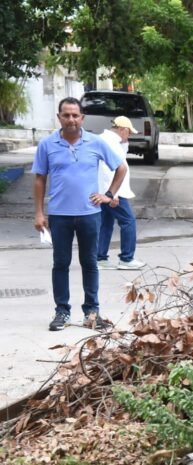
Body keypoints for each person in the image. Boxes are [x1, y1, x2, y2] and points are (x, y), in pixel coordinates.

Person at [33, 97, 127, 331]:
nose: (71, 119)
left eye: (75, 115)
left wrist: (108, 194)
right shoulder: (47, 145)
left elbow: (121, 167)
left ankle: (92, 312)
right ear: (59, 117)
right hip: (59, 215)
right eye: (66, 115)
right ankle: (62, 312)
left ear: (82, 118)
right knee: (61, 263)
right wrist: (39, 213)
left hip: (89, 214)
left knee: (90, 263)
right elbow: (39, 178)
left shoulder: (95, 143)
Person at [96, 116, 146, 270]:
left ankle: (100, 258)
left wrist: (125, 143)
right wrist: (112, 194)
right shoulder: (109, 142)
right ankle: (126, 258)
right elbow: (107, 169)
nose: (129, 136)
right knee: (128, 221)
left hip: (105, 191)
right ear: (123, 129)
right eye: (128, 132)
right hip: (113, 191)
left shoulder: (108, 140)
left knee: (106, 223)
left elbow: (120, 159)